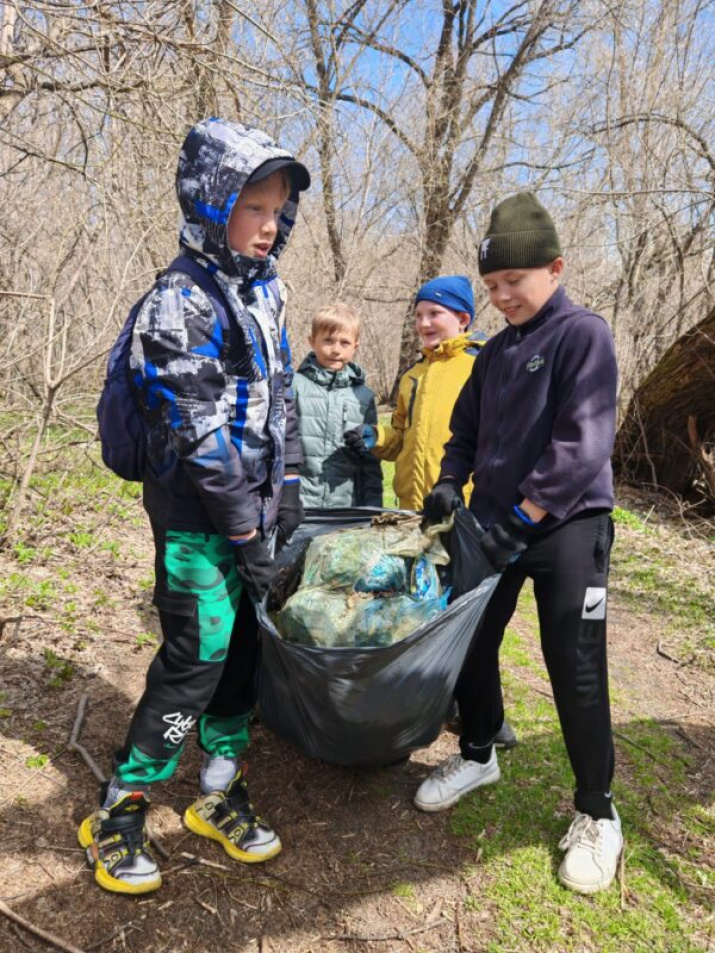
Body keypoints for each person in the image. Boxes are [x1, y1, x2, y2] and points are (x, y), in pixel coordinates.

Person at [78, 118, 310, 895]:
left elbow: (282, 402)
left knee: (245, 654)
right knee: (194, 660)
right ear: (213, 204)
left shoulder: (266, 289)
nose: (269, 223)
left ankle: (216, 788)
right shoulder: (177, 302)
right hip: (195, 522)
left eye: (277, 208)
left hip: (256, 518)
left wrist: (293, 500)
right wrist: (248, 532)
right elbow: (198, 436)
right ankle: (121, 806)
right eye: (253, 206)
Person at [417, 193, 621, 895]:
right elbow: (465, 429)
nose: (503, 297)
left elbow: (581, 444)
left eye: (515, 282)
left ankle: (596, 811)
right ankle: (478, 753)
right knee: (467, 642)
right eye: (493, 286)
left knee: (575, 666)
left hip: (567, 527)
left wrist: (522, 518)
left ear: (554, 268)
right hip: (493, 523)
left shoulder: (581, 335)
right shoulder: (496, 351)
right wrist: (449, 481)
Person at [344, 275, 517, 750]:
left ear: (462, 317)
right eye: (419, 315)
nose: (424, 323)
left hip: (465, 515)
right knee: (421, 609)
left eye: (434, 314)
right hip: (413, 515)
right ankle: (427, 697)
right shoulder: (412, 376)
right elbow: (399, 436)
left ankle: (486, 717)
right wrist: (375, 438)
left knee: (471, 618)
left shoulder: (482, 366)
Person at [293, 303, 383, 507]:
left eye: (344, 343)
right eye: (328, 341)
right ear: (312, 341)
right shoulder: (294, 386)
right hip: (300, 505)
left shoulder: (363, 396)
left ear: (355, 347)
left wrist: (372, 507)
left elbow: (370, 460)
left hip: (344, 506)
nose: (335, 350)